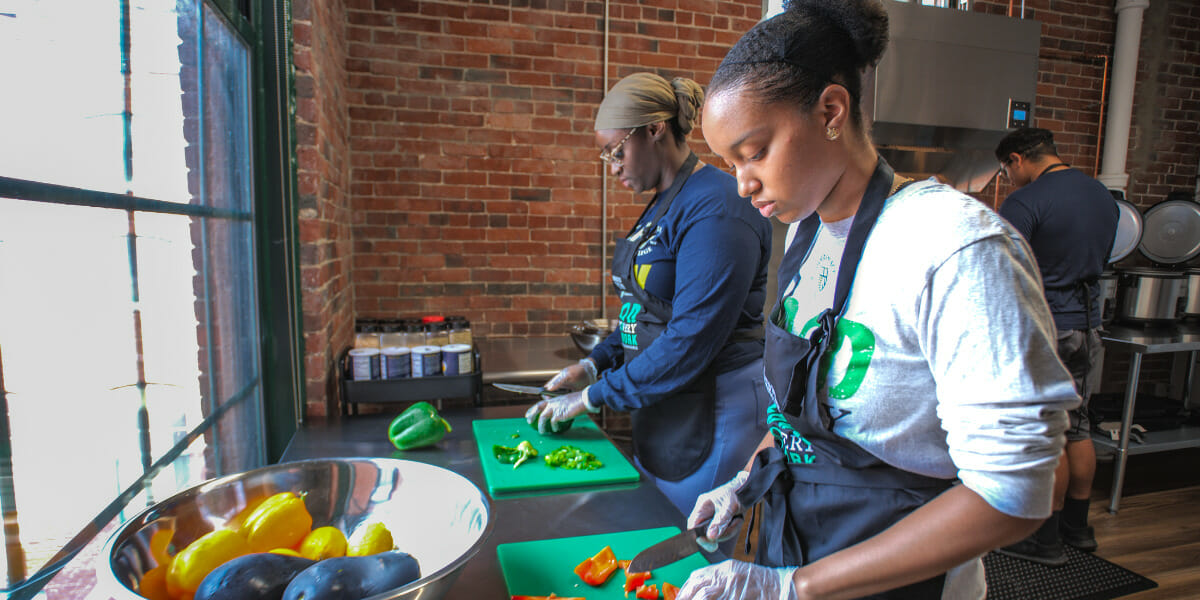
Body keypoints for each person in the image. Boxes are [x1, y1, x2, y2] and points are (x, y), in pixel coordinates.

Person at [675, 1, 1080, 599]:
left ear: (831, 111)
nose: (742, 183)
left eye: (755, 152)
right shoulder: (808, 236)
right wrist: (744, 478)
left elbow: (1019, 491)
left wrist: (796, 587)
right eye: (730, 162)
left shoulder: (955, 247)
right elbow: (801, 412)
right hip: (798, 543)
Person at [524, 72, 774, 516]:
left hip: (712, 408)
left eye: (617, 151)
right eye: (606, 157)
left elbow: (691, 337)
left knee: (691, 555)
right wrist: (592, 364)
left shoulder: (717, 208)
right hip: (664, 407)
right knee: (654, 530)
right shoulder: (662, 205)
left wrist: (591, 399)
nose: (614, 166)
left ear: (655, 130)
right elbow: (641, 312)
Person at [993, 127, 1119, 566]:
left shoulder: (1026, 201)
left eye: (1005, 170)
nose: (1007, 178)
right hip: (1088, 325)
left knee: (1048, 434)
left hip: (1046, 328)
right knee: (1079, 427)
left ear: (1016, 160)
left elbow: (1001, 267)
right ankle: (1078, 530)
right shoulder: (1101, 196)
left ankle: (1042, 538)